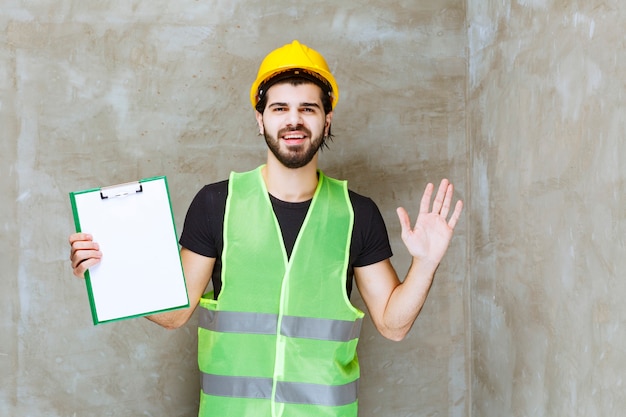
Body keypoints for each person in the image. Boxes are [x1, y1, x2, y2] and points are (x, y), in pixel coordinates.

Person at [69, 40, 463, 417]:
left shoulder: (357, 213)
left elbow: (393, 325)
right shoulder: (215, 204)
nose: (294, 120)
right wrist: (109, 268)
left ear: (327, 121)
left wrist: (425, 264)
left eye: (308, 108)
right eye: (280, 109)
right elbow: (175, 313)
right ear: (261, 120)